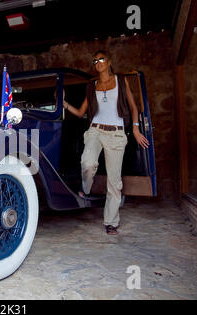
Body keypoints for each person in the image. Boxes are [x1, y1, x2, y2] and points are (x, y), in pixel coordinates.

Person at [63, 50, 149, 235]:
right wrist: (64, 104)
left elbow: (134, 107)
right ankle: (86, 188)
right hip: (95, 130)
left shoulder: (120, 80)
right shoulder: (92, 85)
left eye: (101, 59)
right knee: (88, 163)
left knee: (114, 181)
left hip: (116, 134)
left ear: (109, 62)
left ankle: (111, 222)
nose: (98, 62)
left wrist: (135, 129)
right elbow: (80, 113)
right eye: (95, 60)